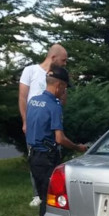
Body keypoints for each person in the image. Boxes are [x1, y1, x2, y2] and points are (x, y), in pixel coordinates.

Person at [26, 65, 87, 216]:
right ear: (59, 85)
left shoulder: (34, 101)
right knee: (49, 201)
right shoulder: (54, 106)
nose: (65, 91)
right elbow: (59, 138)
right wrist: (78, 147)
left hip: (34, 156)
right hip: (47, 157)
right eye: (65, 87)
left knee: (45, 198)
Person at [19, 44, 69, 207]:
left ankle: (49, 195)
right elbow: (23, 97)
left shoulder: (58, 77)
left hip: (50, 121)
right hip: (35, 123)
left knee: (47, 158)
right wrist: (26, 121)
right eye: (63, 60)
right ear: (53, 58)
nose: (65, 63)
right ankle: (37, 194)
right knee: (36, 156)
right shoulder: (31, 71)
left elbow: (61, 103)